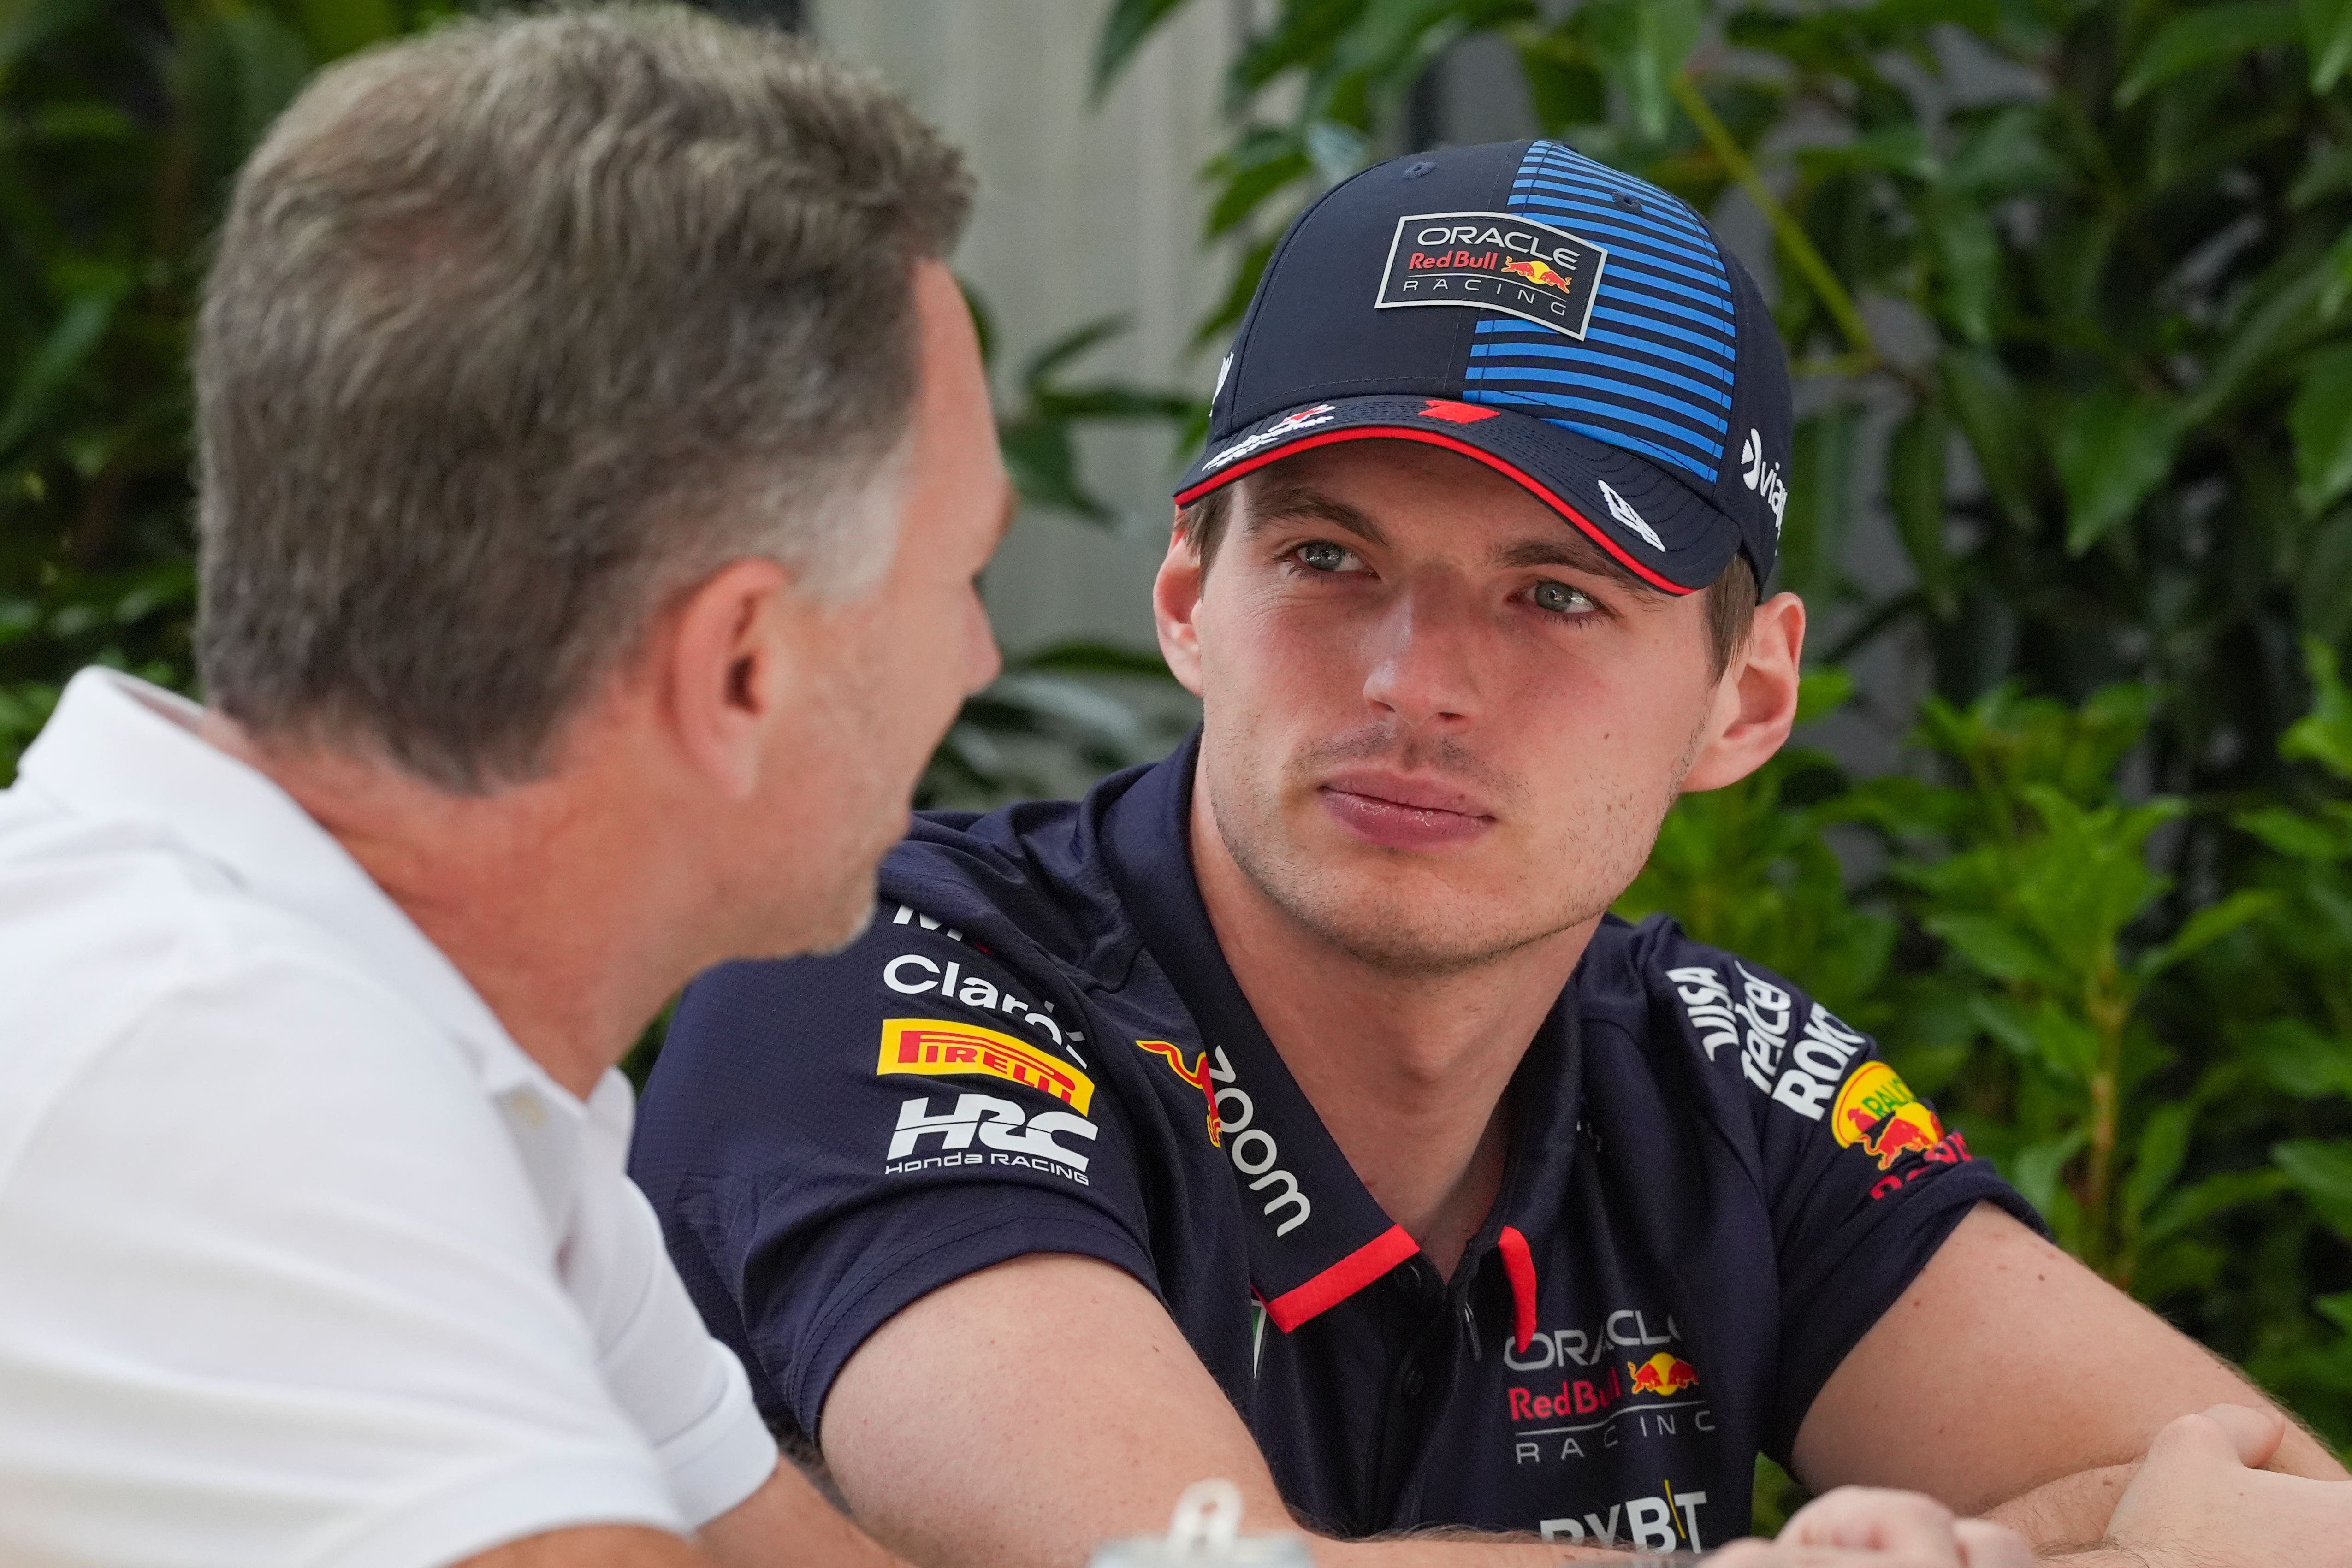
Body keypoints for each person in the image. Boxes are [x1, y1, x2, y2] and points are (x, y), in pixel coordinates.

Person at [629, 138, 2352, 1568]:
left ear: (1746, 699)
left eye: (1555, 594)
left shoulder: (1722, 1075)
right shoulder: (875, 968)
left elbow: (2285, 1506)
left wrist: (1993, 1550)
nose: (1414, 681)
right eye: (1324, 559)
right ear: (1188, 600)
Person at [0, 9, 1007, 1566]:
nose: (984, 658)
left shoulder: (426, 1044)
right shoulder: (209, 1067)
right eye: (961, 575)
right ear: (743, 662)